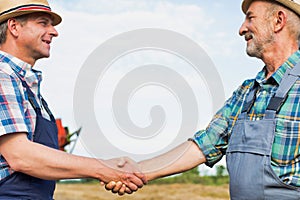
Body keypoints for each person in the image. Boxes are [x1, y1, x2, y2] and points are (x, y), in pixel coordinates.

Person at [106, 0, 300, 199]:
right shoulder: (247, 91)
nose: (242, 29)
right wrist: (136, 171)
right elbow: (204, 145)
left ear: (278, 21)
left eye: (250, 18)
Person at [0, 0, 147, 199]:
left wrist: (110, 169)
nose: (54, 32)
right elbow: (20, 156)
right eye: (43, 23)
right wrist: (103, 169)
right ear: (14, 27)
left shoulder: (30, 89)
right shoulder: (3, 75)